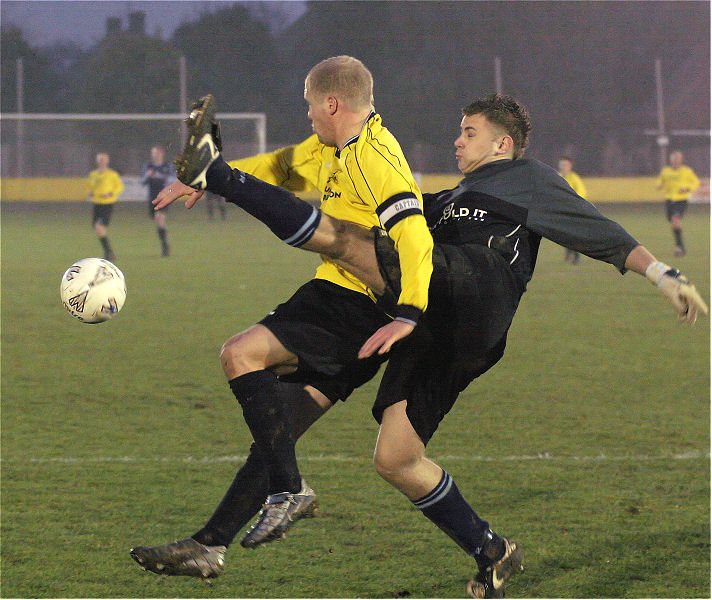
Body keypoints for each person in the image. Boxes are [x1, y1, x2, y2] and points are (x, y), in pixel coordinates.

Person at [131, 92, 707, 598]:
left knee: (351, 245)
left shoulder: (529, 180)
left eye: (468, 131)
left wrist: (664, 276)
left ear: (503, 143)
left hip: (469, 297)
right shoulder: (453, 195)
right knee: (391, 456)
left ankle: (223, 178)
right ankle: (490, 550)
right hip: (436, 325)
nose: (458, 140)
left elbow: (602, 232)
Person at [131, 54, 439, 587]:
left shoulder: (374, 160)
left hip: (352, 306)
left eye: (310, 106)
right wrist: (205, 183)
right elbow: (278, 168)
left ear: (332, 103)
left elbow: (415, 233)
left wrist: (412, 311)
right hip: (350, 315)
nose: (308, 116)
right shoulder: (331, 148)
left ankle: (290, 490)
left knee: (240, 354)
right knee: (278, 433)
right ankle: (210, 545)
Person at [656, 150, 700, 257]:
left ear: (681, 159)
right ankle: (680, 246)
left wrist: (688, 188)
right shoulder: (666, 171)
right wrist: (659, 185)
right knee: (673, 223)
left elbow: (696, 182)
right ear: (671, 160)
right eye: (674, 158)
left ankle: (680, 247)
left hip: (681, 200)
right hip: (669, 201)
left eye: (678, 158)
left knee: (676, 221)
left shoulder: (687, 171)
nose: (676, 160)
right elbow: (659, 182)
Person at [87, 151, 123, 261]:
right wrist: (91, 192)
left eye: (103, 159)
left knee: (99, 227)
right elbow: (90, 186)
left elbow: (119, 187)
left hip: (107, 204)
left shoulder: (112, 174)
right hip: (97, 204)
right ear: (96, 161)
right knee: (99, 228)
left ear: (107, 161)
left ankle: (109, 253)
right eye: (99, 159)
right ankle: (109, 253)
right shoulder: (93, 174)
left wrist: (111, 193)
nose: (101, 161)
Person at [141, 145, 175, 256]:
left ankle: (165, 247)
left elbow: (173, 179)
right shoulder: (148, 166)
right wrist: (147, 176)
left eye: (156, 153)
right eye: (153, 153)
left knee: (159, 217)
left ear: (161, 154)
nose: (154, 155)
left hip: (164, 197)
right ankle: (165, 240)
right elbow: (143, 182)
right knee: (158, 222)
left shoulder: (167, 166)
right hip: (152, 198)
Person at [558, 156, 587, 264]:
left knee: (574, 234)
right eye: (561, 165)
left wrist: (572, 202)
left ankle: (576, 257)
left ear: (570, 166)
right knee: (564, 234)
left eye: (565, 165)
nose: (563, 167)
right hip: (561, 211)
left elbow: (582, 193)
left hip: (573, 211)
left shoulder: (574, 178)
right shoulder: (558, 177)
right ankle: (569, 249)